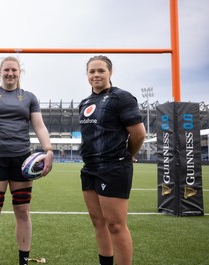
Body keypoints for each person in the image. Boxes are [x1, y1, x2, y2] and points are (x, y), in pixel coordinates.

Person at [0, 56, 54, 265]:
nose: (10, 74)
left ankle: (24, 261)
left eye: (14, 70)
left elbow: (39, 125)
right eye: (6, 70)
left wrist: (49, 149)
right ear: (0, 72)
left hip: (22, 159)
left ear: (20, 73)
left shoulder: (29, 97)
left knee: (22, 211)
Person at [78, 55, 146, 265]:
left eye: (101, 70)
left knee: (116, 225)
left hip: (113, 167)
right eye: (92, 71)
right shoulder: (85, 102)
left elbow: (139, 134)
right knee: (98, 223)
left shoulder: (122, 98)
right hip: (90, 168)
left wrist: (129, 155)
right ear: (87, 75)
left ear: (110, 73)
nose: (96, 75)